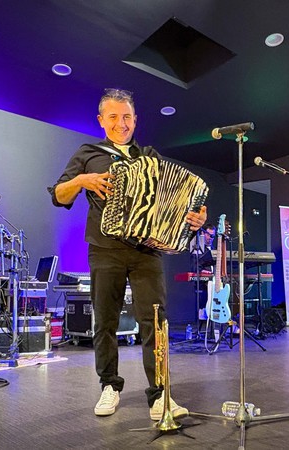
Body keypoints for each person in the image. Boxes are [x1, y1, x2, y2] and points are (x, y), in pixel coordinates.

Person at [48, 88, 207, 419]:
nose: (121, 124)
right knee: (105, 319)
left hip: (146, 250)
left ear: (135, 120)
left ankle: (160, 394)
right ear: (101, 120)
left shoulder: (149, 155)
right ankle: (109, 385)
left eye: (127, 117)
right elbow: (60, 196)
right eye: (114, 117)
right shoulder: (88, 153)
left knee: (155, 321)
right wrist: (82, 180)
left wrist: (194, 217)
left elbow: (172, 201)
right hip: (105, 249)